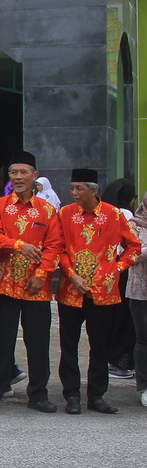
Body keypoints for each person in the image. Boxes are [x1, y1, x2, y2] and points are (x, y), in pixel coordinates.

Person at [0, 152, 63, 413]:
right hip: (3, 284)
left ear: (35, 176)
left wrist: (41, 276)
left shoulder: (48, 210)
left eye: (23, 172)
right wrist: (19, 245)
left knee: (37, 342)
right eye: (13, 173)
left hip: (36, 288)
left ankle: (38, 394)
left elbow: (54, 246)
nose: (17, 177)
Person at [56, 168, 141, 415]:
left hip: (103, 292)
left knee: (99, 346)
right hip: (70, 290)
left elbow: (133, 247)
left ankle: (97, 396)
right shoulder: (65, 214)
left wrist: (117, 269)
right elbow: (58, 249)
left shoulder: (114, 215)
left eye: (79, 188)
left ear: (93, 190)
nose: (74, 193)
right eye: (72, 188)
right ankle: (71, 395)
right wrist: (71, 274)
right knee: (68, 346)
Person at [101, 178, 138, 380]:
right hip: (123, 270)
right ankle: (119, 361)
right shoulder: (126, 215)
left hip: (107, 269)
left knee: (111, 316)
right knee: (125, 318)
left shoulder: (104, 211)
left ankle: (111, 358)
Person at [125, 196, 147, 407]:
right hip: (141, 291)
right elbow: (128, 252)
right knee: (143, 339)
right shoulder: (134, 224)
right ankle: (144, 386)